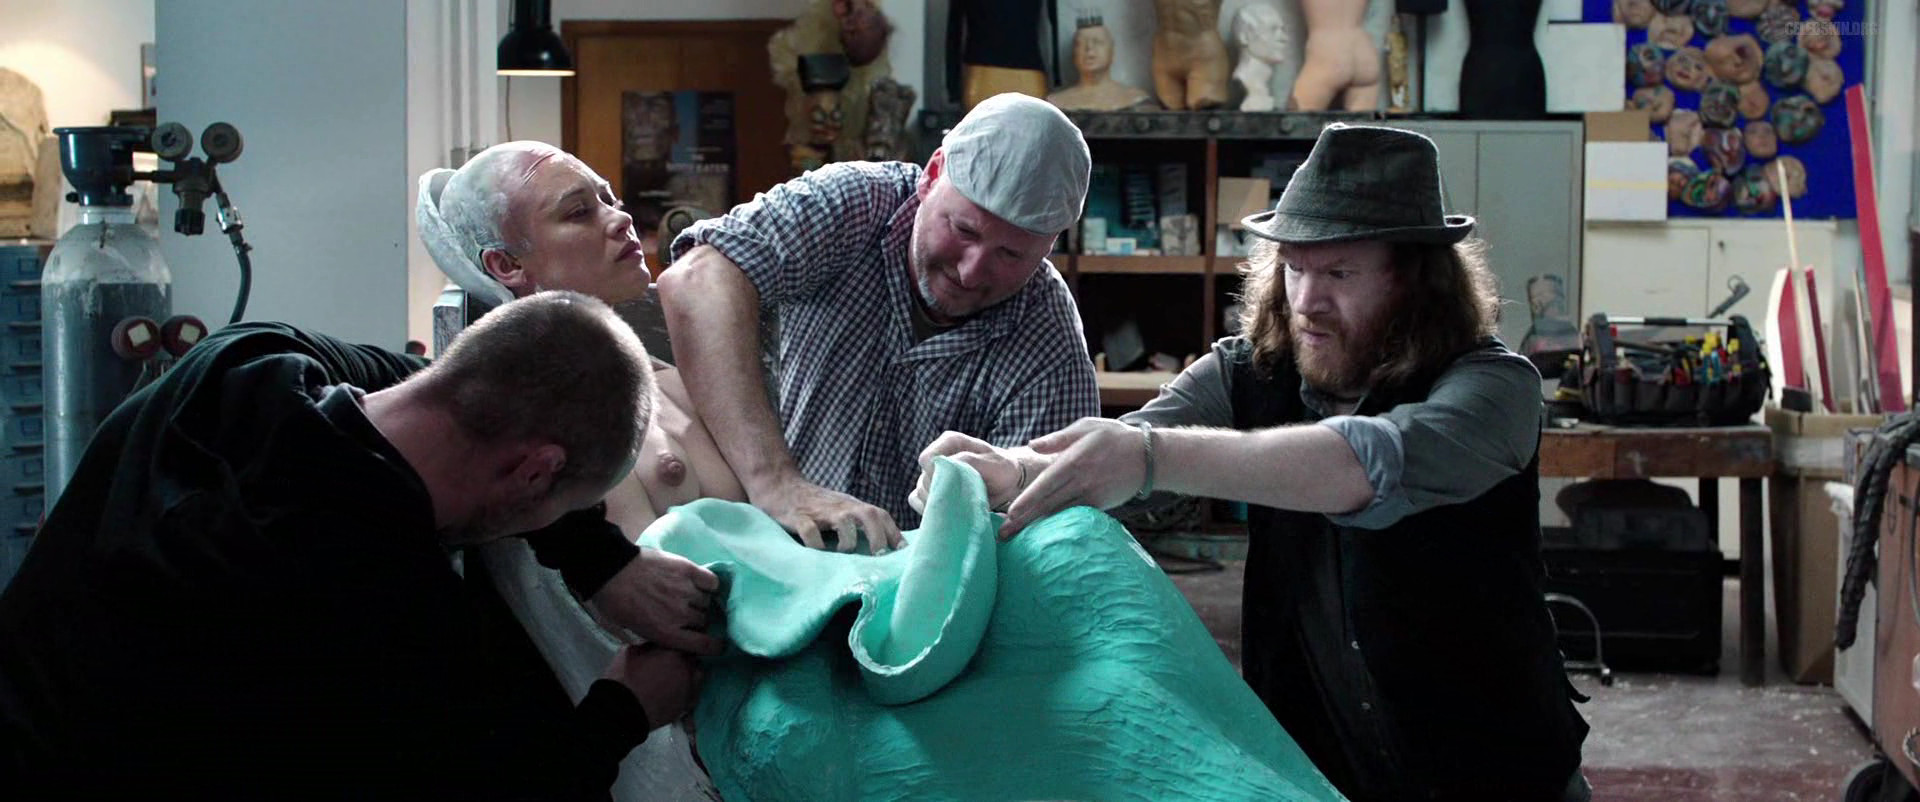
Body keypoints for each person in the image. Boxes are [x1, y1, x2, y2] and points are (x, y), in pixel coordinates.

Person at [917, 124, 1591, 801]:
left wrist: (1152, 457)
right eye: (1294, 267)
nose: (1307, 302)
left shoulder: (1494, 388)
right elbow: (1124, 447)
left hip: (1498, 776)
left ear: (1417, 280)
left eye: (1339, 273)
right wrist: (1013, 471)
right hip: (1314, 778)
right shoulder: (1248, 371)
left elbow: (1366, 464)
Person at [0, 293, 701, 799]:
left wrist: (602, 559)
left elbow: (459, 387)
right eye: (558, 503)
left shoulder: (241, 363)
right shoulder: (388, 619)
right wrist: (624, 710)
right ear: (533, 472)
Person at [657, 92, 1100, 555]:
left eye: (1010, 254)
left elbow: (1037, 541)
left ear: (1050, 245)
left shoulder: (1050, 344)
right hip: (769, 546)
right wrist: (776, 483)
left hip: (921, 580)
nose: (971, 272)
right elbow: (696, 280)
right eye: (964, 230)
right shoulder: (854, 203)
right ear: (932, 175)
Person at [418, 141, 724, 658]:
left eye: (609, 199)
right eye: (580, 212)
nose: (621, 219)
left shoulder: (675, 381)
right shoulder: (531, 429)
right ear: (506, 264)